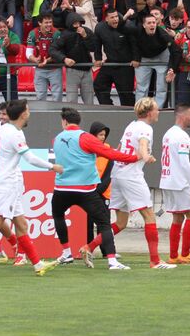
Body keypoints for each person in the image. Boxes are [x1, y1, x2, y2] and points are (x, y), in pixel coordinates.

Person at [0, 100, 62, 279]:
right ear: (23, 114)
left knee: (21, 224)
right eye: (28, 110)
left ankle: (37, 264)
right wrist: (52, 167)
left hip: (3, 182)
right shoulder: (15, 134)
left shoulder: (3, 130)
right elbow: (30, 158)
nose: (29, 112)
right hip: (6, 185)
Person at [83, 98, 176, 269]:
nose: (158, 112)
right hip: (131, 176)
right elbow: (143, 144)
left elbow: (119, 148)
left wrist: (143, 154)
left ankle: (89, 247)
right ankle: (155, 261)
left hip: (117, 174)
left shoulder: (131, 125)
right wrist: (146, 156)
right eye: (156, 109)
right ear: (149, 113)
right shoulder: (145, 128)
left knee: (121, 222)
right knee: (149, 216)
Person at [48, 108, 140, 270]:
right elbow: (110, 153)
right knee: (104, 223)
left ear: (64, 121)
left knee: (58, 215)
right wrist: (134, 158)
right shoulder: (85, 138)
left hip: (62, 188)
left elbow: (72, 154)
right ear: (79, 121)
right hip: (85, 190)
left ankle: (66, 253)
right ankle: (112, 261)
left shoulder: (56, 139)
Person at [161, 104, 190, 264]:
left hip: (167, 180)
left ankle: (174, 256)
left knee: (177, 217)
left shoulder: (168, 134)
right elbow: (184, 163)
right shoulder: (182, 136)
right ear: (182, 116)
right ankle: (185, 253)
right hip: (179, 182)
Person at [50, 12, 99, 105]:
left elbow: (93, 48)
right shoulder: (65, 34)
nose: (77, 25)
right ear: (70, 23)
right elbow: (52, 49)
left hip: (87, 70)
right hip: (72, 70)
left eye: (79, 23)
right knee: (71, 101)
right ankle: (71, 119)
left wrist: (85, 36)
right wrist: (64, 59)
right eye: (75, 23)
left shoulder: (87, 31)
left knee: (89, 100)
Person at [130, 13, 178, 107]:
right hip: (144, 58)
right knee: (141, 87)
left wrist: (173, 69)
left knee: (161, 87)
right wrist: (135, 58)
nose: (152, 25)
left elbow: (176, 50)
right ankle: (140, 109)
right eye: (149, 23)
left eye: (153, 22)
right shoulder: (137, 31)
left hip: (161, 57)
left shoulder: (162, 33)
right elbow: (133, 44)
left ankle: (157, 109)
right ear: (144, 25)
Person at [93, 8, 137, 106]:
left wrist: (135, 59)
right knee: (99, 85)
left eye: (116, 16)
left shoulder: (127, 26)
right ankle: (108, 108)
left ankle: (128, 114)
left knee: (125, 94)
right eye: (112, 17)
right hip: (110, 62)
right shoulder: (100, 27)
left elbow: (134, 43)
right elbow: (97, 43)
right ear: (106, 19)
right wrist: (98, 58)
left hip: (125, 65)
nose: (115, 19)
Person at [25, 12, 62, 102]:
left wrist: (47, 60)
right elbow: (28, 52)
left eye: (50, 22)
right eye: (46, 22)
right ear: (39, 23)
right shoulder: (33, 33)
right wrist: (35, 59)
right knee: (40, 97)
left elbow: (59, 53)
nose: (49, 24)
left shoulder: (57, 33)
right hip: (40, 69)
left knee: (57, 97)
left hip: (55, 68)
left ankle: (57, 115)